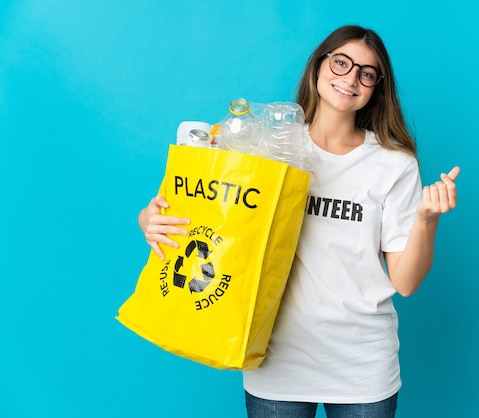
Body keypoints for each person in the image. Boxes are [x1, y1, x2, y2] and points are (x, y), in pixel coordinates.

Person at [138, 25, 459, 418]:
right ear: (318, 67)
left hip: (361, 364)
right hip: (274, 358)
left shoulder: (393, 164)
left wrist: (426, 219)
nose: (350, 78)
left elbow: (405, 283)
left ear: (376, 87)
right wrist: (150, 218)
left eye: (366, 73)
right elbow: (208, 213)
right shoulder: (263, 146)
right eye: (341, 63)